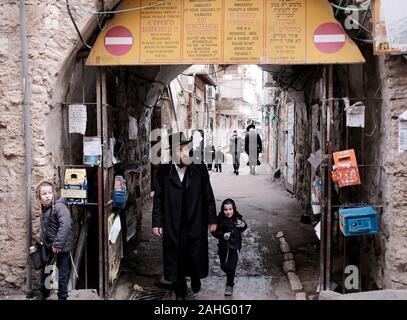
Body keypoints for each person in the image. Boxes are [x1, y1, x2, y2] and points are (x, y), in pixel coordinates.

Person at [152, 132, 218, 300]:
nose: (184, 153)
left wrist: (212, 219)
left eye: (186, 149)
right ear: (173, 152)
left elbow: (208, 195)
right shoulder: (163, 172)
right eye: (180, 149)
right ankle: (179, 288)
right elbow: (158, 199)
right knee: (175, 256)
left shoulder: (200, 168)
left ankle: (195, 276)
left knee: (195, 251)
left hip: (195, 220)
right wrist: (156, 222)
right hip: (173, 223)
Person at [36, 181, 73, 300]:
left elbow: (65, 225)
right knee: (47, 269)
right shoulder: (45, 207)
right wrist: (42, 242)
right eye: (44, 193)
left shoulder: (59, 206)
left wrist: (57, 244)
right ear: (39, 196)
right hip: (49, 245)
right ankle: (44, 294)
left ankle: (62, 296)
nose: (47, 195)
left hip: (61, 245)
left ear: (53, 193)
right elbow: (47, 228)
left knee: (61, 272)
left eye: (49, 193)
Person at [211, 198, 247, 296]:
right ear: (223, 210)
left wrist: (242, 224)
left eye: (230, 209)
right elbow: (214, 231)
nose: (228, 212)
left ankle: (229, 285)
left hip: (234, 247)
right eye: (225, 209)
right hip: (223, 247)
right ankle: (230, 274)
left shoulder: (237, 218)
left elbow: (244, 226)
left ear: (234, 209)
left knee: (231, 268)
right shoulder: (220, 219)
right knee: (224, 266)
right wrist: (222, 235)